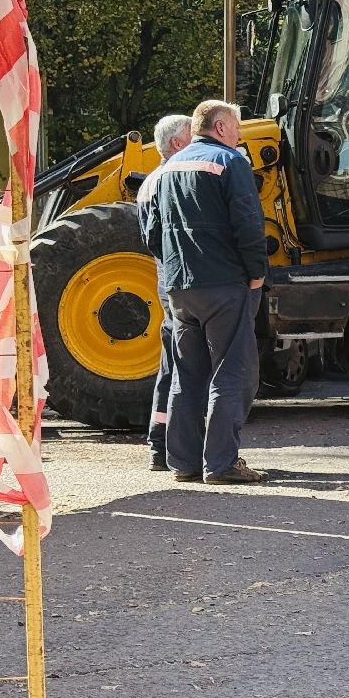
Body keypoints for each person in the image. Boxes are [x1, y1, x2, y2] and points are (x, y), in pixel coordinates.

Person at [140, 100, 269, 485]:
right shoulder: (231, 162)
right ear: (222, 126)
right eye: (237, 126)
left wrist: (177, 272)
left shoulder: (165, 171)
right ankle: (222, 463)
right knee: (233, 372)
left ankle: (183, 463)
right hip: (225, 284)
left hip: (179, 287)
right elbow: (248, 221)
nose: (241, 134)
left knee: (187, 374)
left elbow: (153, 233)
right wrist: (257, 274)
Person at [136, 113, 193, 470]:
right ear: (177, 144)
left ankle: (160, 444)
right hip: (179, 278)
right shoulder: (169, 181)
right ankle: (168, 446)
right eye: (193, 137)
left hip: (168, 276)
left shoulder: (151, 182)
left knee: (171, 360)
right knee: (181, 361)